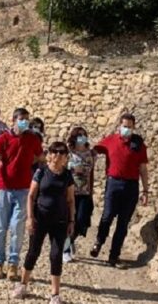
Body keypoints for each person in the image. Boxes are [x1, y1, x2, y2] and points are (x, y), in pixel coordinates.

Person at [11, 142, 75, 304]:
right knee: (33, 251)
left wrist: (71, 221)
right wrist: (30, 218)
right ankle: (23, 284)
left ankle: (55, 295)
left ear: (65, 157)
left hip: (60, 220)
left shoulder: (67, 175)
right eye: (54, 152)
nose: (58, 155)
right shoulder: (41, 172)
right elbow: (31, 196)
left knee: (56, 255)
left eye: (62, 153)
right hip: (40, 218)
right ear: (49, 155)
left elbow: (70, 200)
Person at [0, 108, 44, 281]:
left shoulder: (32, 139)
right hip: (4, 188)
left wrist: (30, 161)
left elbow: (40, 157)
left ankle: (13, 264)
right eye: (22, 119)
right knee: (0, 227)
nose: (25, 122)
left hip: (22, 190)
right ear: (13, 120)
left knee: (17, 228)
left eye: (27, 119)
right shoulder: (3, 138)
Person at [90, 113, 149, 268]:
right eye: (124, 126)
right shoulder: (110, 140)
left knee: (123, 224)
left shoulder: (138, 145)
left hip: (131, 187)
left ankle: (113, 256)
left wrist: (145, 191)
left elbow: (143, 168)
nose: (127, 129)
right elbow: (95, 151)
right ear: (119, 126)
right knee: (107, 216)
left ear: (134, 127)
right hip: (113, 184)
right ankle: (99, 241)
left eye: (129, 127)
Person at [63, 127, 95, 263]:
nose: (82, 137)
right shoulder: (69, 153)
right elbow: (62, 168)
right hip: (70, 191)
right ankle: (65, 250)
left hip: (84, 192)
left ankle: (70, 241)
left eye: (84, 135)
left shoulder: (91, 154)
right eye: (79, 135)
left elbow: (91, 173)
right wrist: (72, 167)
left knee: (82, 220)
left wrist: (91, 190)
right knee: (69, 220)